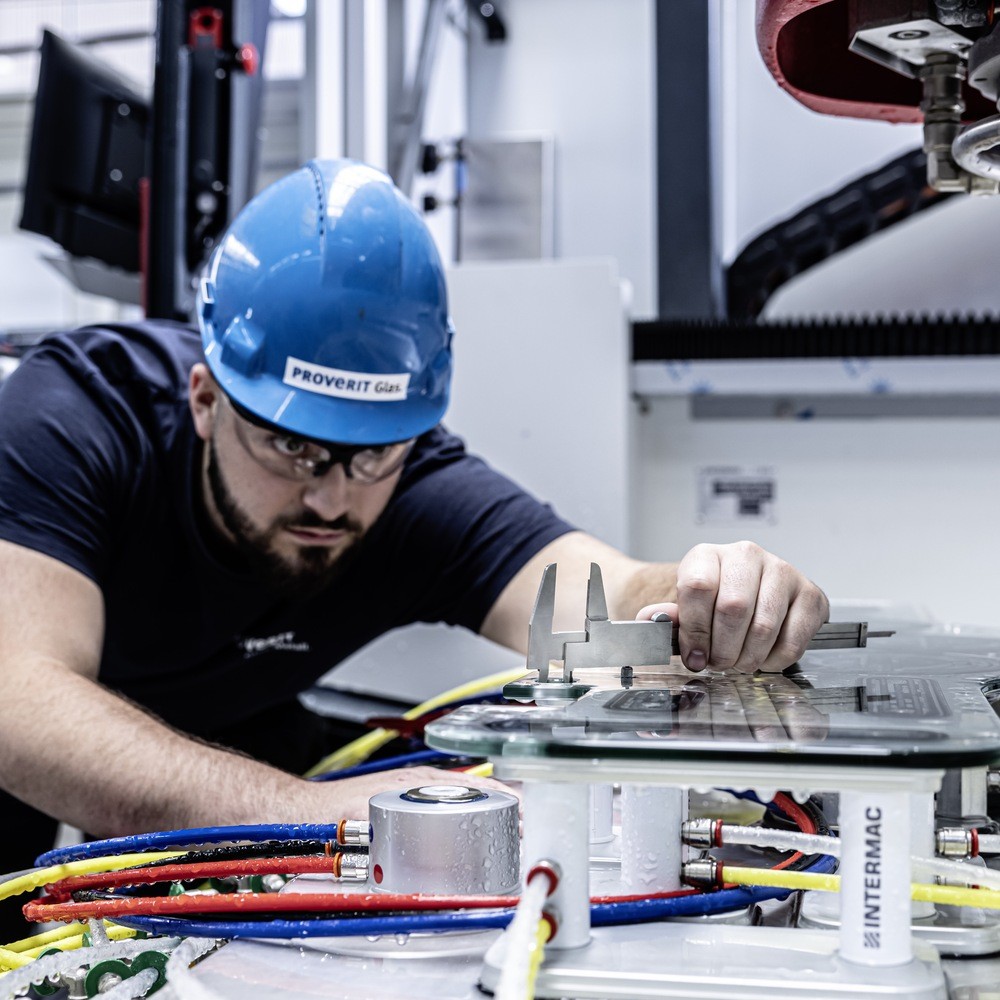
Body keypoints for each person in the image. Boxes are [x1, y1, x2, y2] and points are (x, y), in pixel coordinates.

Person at [0, 159, 827, 921]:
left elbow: (589, 598)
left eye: (372, 455)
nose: (330, 494)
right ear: (207, 400)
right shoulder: (74, 419)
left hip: (242, 727)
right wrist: (309, 815)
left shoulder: (407, 483)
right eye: (291, 446)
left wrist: (709, 593)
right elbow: (20, 706)